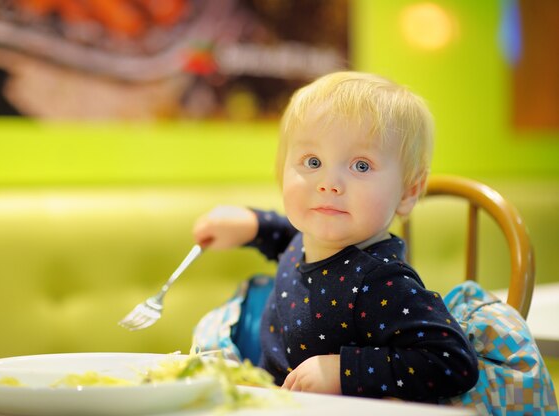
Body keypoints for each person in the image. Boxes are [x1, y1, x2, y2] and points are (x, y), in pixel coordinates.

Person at [192, 71, 479, 402]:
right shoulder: (314, 236)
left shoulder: (379, 279)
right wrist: (253, 224)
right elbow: (289, 236)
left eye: (360, 166)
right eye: (312, 161)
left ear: (408, 192)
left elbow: (451, 362)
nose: (329, 183)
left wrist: (343, 371)